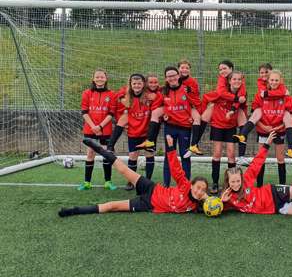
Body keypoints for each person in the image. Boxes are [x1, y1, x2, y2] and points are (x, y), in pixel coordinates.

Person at [58, 136, 209, 217]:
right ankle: (99, 149)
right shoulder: (185, 185)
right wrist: (170, 148)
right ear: (192, 185)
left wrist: (208, 199)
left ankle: (73, 210)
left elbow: (219, 204)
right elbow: (176, 169)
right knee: (123, 169)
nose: (199, 191)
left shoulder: (197, 205)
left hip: (147, 204)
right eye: (198, 187)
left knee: (112, 206)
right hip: (152, 188)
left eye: (203, 190)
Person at [137, 66, 199, 186]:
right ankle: (166, 184)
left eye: (174, 75)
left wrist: (194, 114)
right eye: (169, 76)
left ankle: (185, 185)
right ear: (166, 78)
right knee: (169, 155)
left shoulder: (187, 89)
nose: (172, 78)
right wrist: (163, 114)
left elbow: (196, 103)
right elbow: (154, 101)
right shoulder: (163, 91)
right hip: (170, 127)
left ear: (178, 76)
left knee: (185, 156)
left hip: (185, 128)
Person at [234, 67, 292, 161]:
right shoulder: (261, 93)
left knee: (280, 159)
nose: (274, 82)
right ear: (268, 80)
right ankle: (243, 135)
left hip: (278, 129)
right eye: (272, 80)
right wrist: (264, 127)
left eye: (276, 80)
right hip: (264, 128)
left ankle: (291, 149)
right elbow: (253, 113)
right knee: (261, 157)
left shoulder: (285, 94)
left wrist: (279, 126)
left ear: (280, 81)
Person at [190, 60, 248, 158]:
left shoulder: (238, 78)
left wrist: (234, 107)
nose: (222, 71)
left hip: (235, 106)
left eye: (225, 68)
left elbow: (242, 95)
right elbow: (221, 93)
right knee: (206, 114)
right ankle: (194, 144)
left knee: (242, 118)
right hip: (219, 100)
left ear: (231, 69)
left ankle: (241, 156)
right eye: (220, 69)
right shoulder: (222, 78)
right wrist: (236, 98)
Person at [120, 74, 162, 190]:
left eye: (139, 83)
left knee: (149, 155)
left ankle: (148, 180)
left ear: (143, 84)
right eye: (134, 83)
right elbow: (120, 98)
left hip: (148, 133)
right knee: (133, 156)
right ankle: (131, 180)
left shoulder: (151, 96)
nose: (137, 85)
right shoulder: (128, 96)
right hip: (133, 132)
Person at [79, 69, 116, 191]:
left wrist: (100, 127)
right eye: (97, 77)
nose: (100, 79)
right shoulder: (86, 93)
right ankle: (87, 182)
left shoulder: (111, 94)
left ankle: (108, 182)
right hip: (90, 129)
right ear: (93, 79)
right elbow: (84, 112)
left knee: (106, 154)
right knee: (90, 153)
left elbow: (111, 113)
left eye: (102, 77)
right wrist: (94, 127)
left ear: (106, 79)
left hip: (105, 130)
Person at [208, 71, 244, 194]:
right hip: (217, 125)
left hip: (231, 127)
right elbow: (210, 97)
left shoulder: (242, 94)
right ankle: (214, 183)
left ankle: (232, 183)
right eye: (234, 79)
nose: (237, 81)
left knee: (231, 154)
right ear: (229, 81)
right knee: (217, 153)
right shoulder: (221, 92)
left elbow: (239, 104)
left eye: (239, 79)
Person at [178, 59, 204, 158]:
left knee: (197, 118)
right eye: (182, 67)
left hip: (191, 105)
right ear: (178, 69)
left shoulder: (192, 81)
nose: (184, 70)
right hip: (178, 107)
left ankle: (193, 145)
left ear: (190, 70)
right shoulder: (174, 79)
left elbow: (195, 95)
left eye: (187, 68)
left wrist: (189, 90)